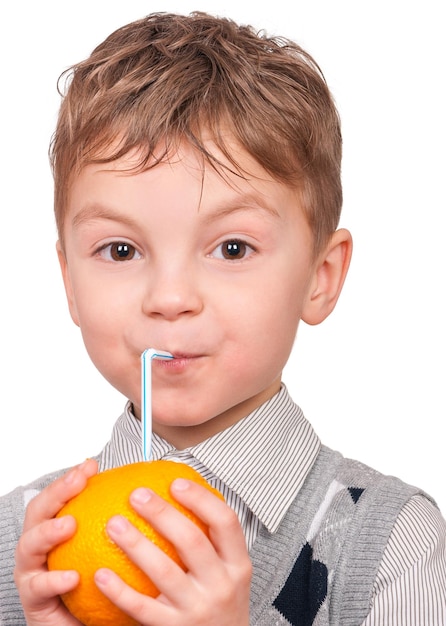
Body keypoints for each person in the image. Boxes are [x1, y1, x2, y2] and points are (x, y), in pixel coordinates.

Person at [1, 10, 445, 625]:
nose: (170, 296)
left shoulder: (391, 546)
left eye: (232, 249)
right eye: (121, 250)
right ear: (68, 281)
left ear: (321, 276)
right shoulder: (18, 543)